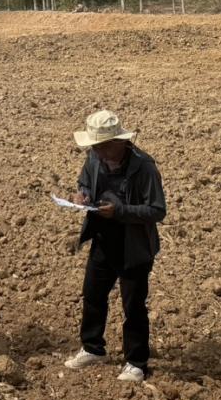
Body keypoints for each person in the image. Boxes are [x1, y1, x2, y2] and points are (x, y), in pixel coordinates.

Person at [62, 109, 166, 383]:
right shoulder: (94, 159)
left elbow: (157, 210)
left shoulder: (144, 167)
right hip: (103, 238)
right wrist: (81, 195)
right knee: (93, 295)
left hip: (134, 246)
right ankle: (93, 348)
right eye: (94, 147)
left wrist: (120, 211)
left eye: (101, 146)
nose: (95, 152)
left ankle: (136, 363)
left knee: (133, 305)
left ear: (118, 142)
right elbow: (84, 182)